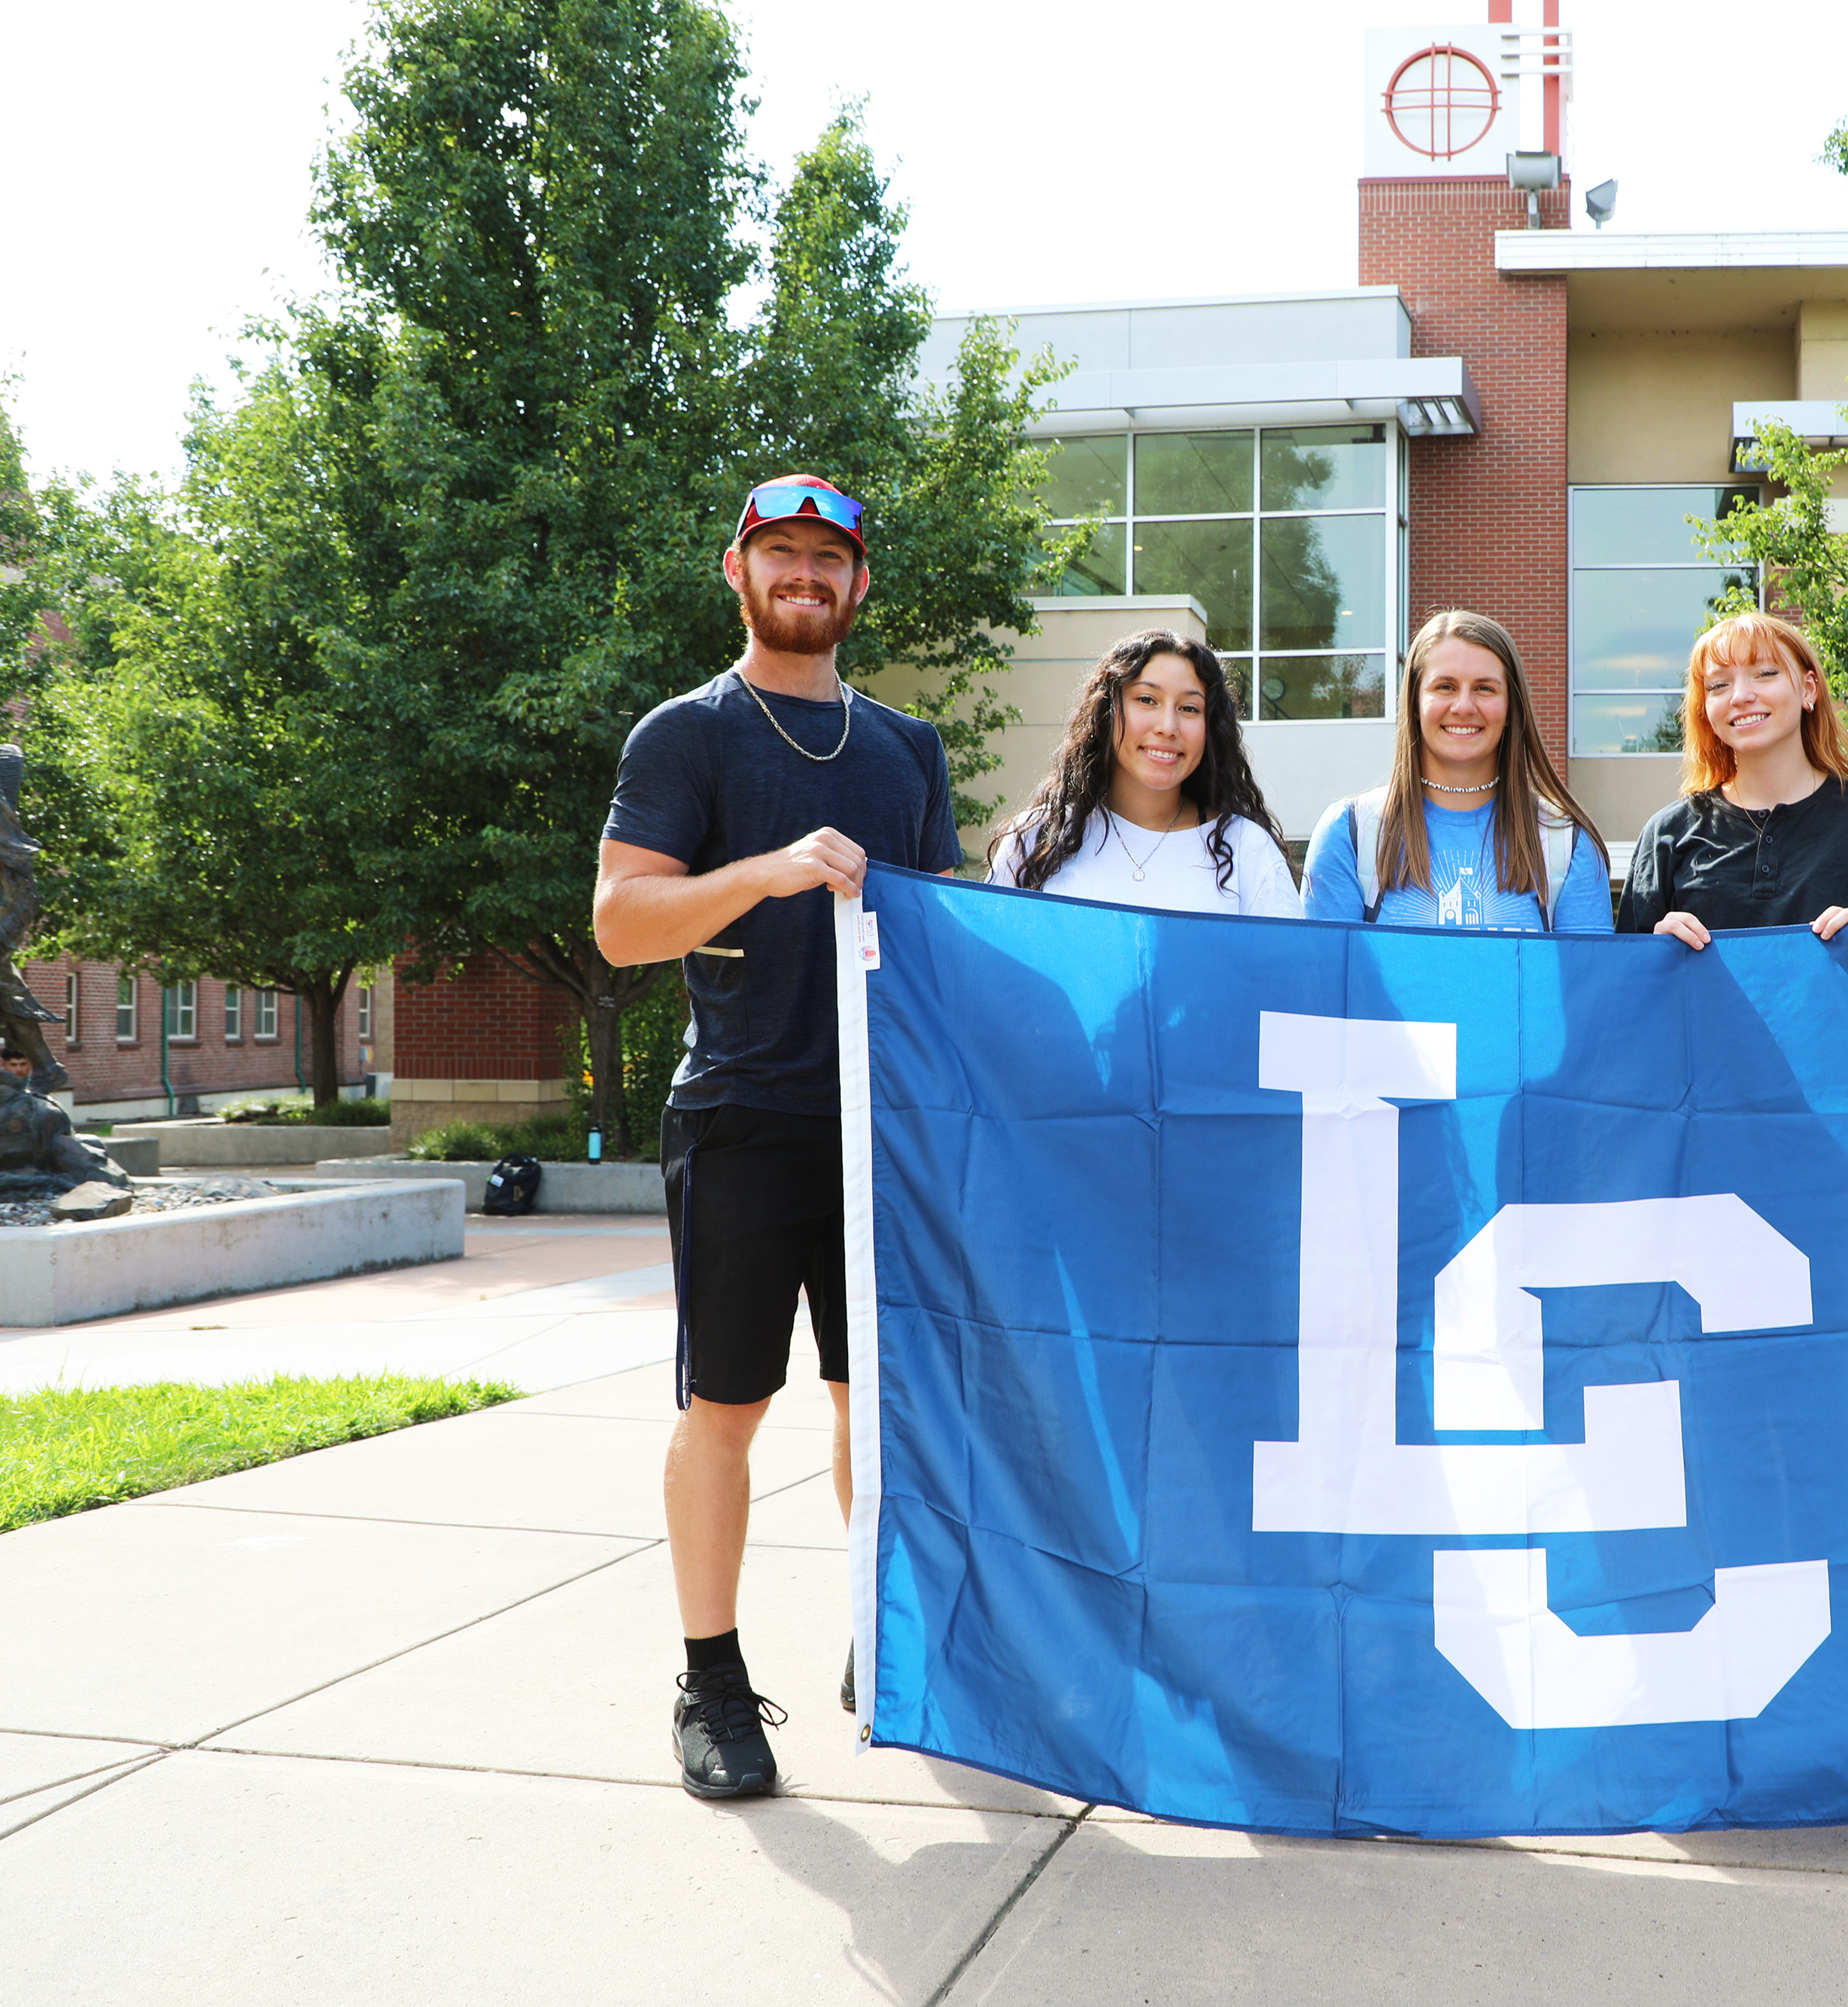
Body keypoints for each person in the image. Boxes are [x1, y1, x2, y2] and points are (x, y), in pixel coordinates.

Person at [594, 475, 963, 1799]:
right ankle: (714, 1682)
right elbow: (623, 922)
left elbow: (939, 935)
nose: (805, 574)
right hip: (744, 1118)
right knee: (726, 1407)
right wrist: (764, 870)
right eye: (781, 554)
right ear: (738, 571)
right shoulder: (685, 735)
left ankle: (885, 1632)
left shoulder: (905, 748)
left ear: (860, 586)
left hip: (881, 1132)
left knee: (880, 1402)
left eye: (829, 558)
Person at [1617, 610, 1848, 947]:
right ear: (1704, 708)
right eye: (1719, 685)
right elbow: (1623, 989)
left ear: (1809, 689)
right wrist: (1653, 955)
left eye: (1764, 673)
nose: (1740, 696)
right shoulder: (1667, 835)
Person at [1302, 611, 1610, 932]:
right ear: (1415, 704)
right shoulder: (1349, 835)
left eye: (1485, 689)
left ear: (1510, 709)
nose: (1464, 706)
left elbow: (1586, 982)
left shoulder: (1568, 845)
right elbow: (1324, 979)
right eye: (1445, 686)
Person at [986, 631, 1300, 917]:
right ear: (1107, 712)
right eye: (1146, 700)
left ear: (1210, 728)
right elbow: (989, 968)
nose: (1168, 727)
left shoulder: (1247, 848)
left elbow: (1288, 975)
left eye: (1189, 708)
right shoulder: (1034, 839)